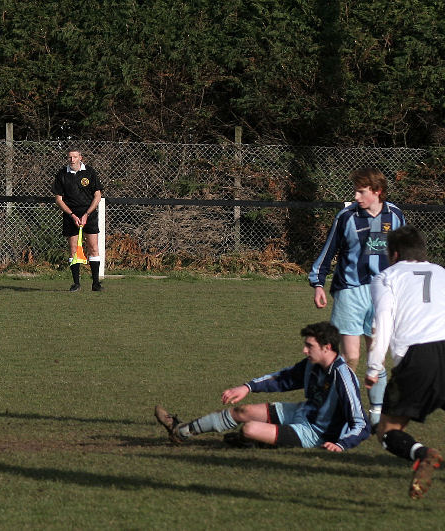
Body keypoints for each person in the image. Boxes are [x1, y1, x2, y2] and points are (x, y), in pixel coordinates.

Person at [155, 322, 370, 452]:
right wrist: (247, 388)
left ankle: (251, 440)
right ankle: (180, 431)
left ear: (327, 347)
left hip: (314, 433)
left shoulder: (343, 377)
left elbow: (360, 423)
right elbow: (282, 378)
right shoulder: (311, 365)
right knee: (243, 411)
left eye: (309, 346)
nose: (304, 350)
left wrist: (341, 445)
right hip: (300, 412)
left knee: (250, 428)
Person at [308, 167, 405, 427]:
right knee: (350, 357)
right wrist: (318, 283)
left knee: (377, 354)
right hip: (350, 292)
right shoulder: (346, 216)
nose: (356, 196)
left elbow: (403, 255)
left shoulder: (395, 215)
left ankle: (375, 413)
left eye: (361, 191)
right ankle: (347, 408)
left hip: (383, 294)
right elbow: (329, 250)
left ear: (377, 191)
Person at [365, 226, 445, 499]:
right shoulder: (442, 272)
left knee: (388, 430)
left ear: (394, 253)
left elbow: (383, 323)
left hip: (418, 357)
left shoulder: (386, 277)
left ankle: (424, 454)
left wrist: (374, 367)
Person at [52, 148, 104, 292]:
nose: (72, 160)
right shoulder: (62, 174)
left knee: (93, 248)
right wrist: (72, 215)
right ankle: (76, 283)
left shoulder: (90, 172)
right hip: (71, 216)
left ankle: (96, 284)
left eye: (75, 157)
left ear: (81, 157)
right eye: (69, 157)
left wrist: (87, 214)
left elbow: (97, 195)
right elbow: (58, 199)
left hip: (89, 215)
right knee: (73, 249)